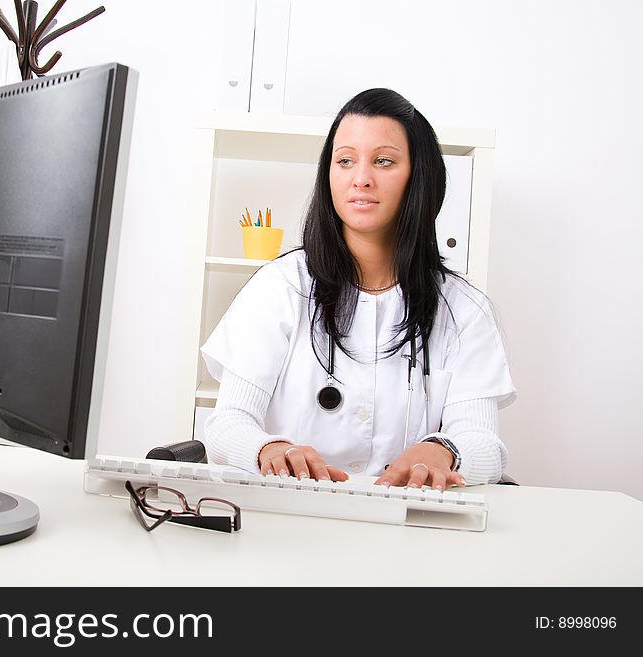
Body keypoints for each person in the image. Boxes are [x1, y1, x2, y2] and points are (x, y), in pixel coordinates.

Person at [200, 88, 516, 491]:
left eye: (383, 161)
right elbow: (228, 424)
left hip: (407, 521)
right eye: (345, 161)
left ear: (419, 176)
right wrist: (269, 449)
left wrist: (444, 450)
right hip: (291, 514)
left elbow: (484, 443)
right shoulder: (280, 287)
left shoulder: (463, 308)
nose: (361, 179)